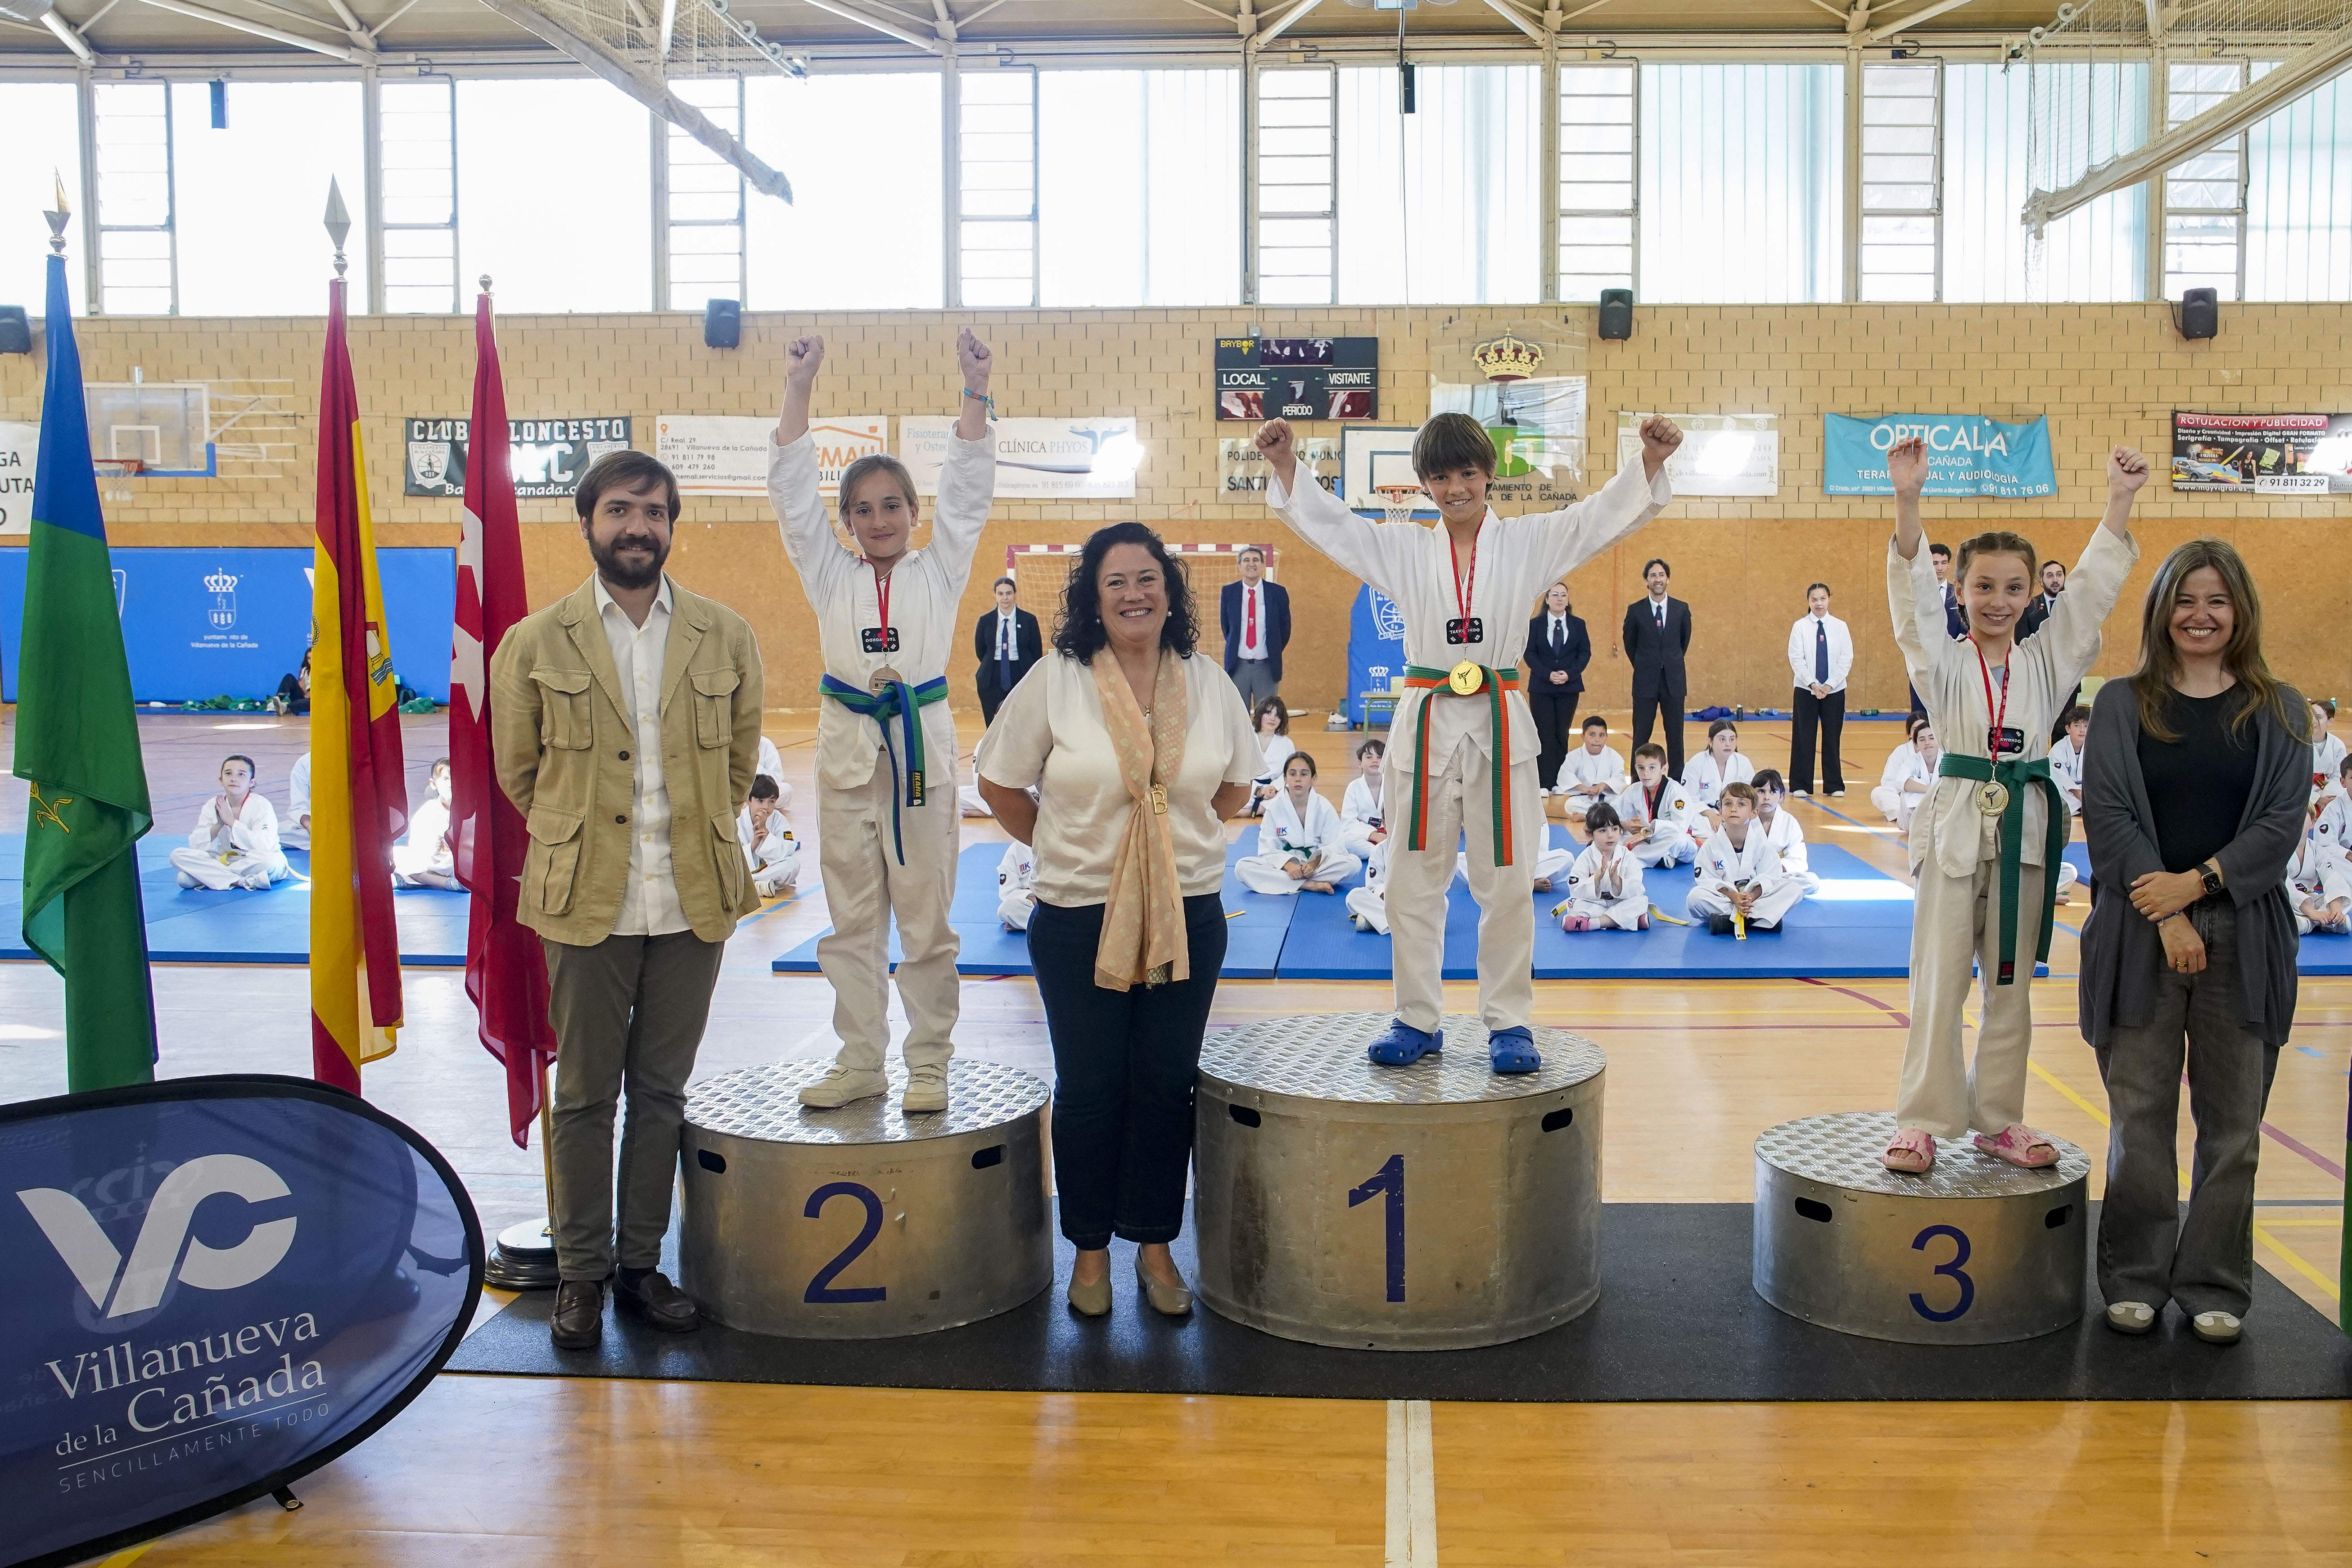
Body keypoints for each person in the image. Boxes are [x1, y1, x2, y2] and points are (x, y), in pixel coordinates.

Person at [1258, 410, 1680, 1074]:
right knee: (1409, 882)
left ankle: (1508, 1021)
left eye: (1467, 473)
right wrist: (1288, 467)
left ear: (1488, 474)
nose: (1455, 488)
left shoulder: (1526, 542)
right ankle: (1415, 1017)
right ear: (1424, 484)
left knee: (1507, 882)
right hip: (1425, 722)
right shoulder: (1403, 548)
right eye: (1440, 477)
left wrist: (1648, 463)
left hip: (1499, 723)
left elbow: (1594, 519)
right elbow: (1339, 529)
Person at [489, 447, 764, 1352]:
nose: (637, 526)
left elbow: (737, 765)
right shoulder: (536, 641)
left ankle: (641, 1264)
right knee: (582, 1095)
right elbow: (520, 772)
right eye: (619, 510)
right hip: (585, 898)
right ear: (588, 523)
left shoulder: (725, 635)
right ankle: (581, 1272)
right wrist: (587, 838)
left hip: (693, 896)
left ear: (671, 525)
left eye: (653, 511)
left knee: (660, 1091)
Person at [975, 522, 1261, 1320]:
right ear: (1092, 599)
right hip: (1079, 914)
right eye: (1116, 582)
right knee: (1092, 1086)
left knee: (1166, 1085)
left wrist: (1163, 851)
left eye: (1147, 578)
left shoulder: (1208, 680)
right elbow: (999, 782)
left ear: (1169, 590)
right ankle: (1091, 1249)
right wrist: (1067, 845)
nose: (1134, 594)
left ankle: (1157, 1245)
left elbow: (1235, 788)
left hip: (1186, 911)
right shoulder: (1057, 679)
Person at [1881, 434, 2148, 1175]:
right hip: (1954, 827)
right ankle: (1922, 1120)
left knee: (2010, 985)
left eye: (2012, 588)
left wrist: (2118, 499)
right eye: (1983, 586)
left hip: (2024, 829)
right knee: (1938, 980)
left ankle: (1998, 1117)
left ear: (2032, 595)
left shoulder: (2047, 661)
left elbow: (2088, 598)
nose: (1998, 601)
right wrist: (1908, 499)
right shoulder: (1942, 659)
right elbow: (1911, 604)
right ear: (1960, 591)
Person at [2078, 538, 2308, 1346]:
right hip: (2140, 930)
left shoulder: (2281, 709)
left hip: (2246, 937)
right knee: (2138, 1118)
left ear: (2240, 610)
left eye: (2216, 600)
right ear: (2161, 610)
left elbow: (2280, 827)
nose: (2200, 615)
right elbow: (2108, 816)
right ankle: (2135, 1277)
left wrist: (2199, 884)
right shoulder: (2120, 703)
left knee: (2234, 1125)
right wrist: (2169, 911)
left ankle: (2214, 1281)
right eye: (2185, 599)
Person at [770, 327, 997, 1113]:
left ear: (912, 510)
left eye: (892, 505)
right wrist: (800, 386)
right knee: (851, 923)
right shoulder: (829, 573)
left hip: (920, 755)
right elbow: (793, 499)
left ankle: (929, 1063)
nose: (878, 519)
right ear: (846, 520)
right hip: (847, 755)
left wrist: (975, 388)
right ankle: (861, 1059)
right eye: (862, 509)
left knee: (927, 921)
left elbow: (967, 493)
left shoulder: (941, 568)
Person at [1237, 752, 1360, 895]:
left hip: (1317, 866)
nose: (1298, 779)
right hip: (1287, 867)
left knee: (1354, 864)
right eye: (1292, 774)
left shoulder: (1324, 807)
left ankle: (1288, 883)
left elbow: (1334, 845)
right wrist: (1289, 866)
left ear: (1314, 779)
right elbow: (1268, 849)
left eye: (1304, 774)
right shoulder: (1274, 808)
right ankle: (1308, 884)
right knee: (1242, 868)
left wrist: (1313, 865)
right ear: (1285, 778)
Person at [1689, 782, 1800, 934]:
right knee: (1695, 898)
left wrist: (1751, 897)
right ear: (1720, 811)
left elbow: (1771, 878)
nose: (1734, 809)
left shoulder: (1762, 845)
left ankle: (1728, 922)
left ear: (1754, 813)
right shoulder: (1710, 846)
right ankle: (1758, 920)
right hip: (1726, 899)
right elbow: (1706, 881)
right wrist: (1734, 897)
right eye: (1728, 804)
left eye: (1741, 804)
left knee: (1794, 889)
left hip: (1754, 900)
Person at [169, 754, 293, 890]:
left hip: (255, 860)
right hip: (227, 860)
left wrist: (232, 823)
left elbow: (265, 845)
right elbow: (196, 845)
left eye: (241, 774)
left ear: (252, 782)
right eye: (228, 773)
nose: (234, 778)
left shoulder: (262, 805)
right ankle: (241, 881)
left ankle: (214, 878)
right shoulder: (213, 805)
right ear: (221, 780)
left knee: (273, 863)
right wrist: (219, 825)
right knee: (177, 856)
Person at [1621, 557, 1692, 777]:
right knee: (1641, 735)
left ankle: (1677, 780)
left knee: (1676, 736)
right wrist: (1646, 665)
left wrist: (1668, 662)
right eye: (1653, 575)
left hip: (1674, 682)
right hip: (1645, 682)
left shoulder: (1681, 609)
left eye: (1661, 575)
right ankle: (1637, 781)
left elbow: (1684, 642)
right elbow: (1630, 644)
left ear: (1668, 579)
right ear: (1646, 581)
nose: (1658, 579)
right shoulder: (1635, 611)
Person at [1786, 583, 1851, 797]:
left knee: (1832, 737)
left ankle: (1834, 785)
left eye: (1823, 599)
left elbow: (1846, 658)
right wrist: (1813, 684)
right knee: (1804, 736)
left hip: (1834, 690)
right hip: (1806, 690)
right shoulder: (1800, 627)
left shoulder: (1840, 627)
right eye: (1814, 600)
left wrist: (1829, 685)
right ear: (1809, 602)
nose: (1819, 604)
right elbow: (1796, 659)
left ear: (1829, 599)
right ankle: (1801, 784)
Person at [1525, 582, 1590, 793]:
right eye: (1555, 595)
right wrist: (1547, 674)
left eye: (1563, 595)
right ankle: (1544, 782)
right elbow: (1529, 653)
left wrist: (1569, 674)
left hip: (1568, 688)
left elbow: (1584, 653)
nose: (1560, 599)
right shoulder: (1535, 625)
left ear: (1568, 599)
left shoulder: (1578, 624)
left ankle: (1560, 781)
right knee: (1544, 734)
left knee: (1562, 734)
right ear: (1547, 599)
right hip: (1542, 688)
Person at [1555, 802, 1648, 931]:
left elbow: (1637, 887)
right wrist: (1597, 878)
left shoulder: (1628, 856)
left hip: (1620, 902)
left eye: (1614, 829)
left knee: (1641, 901)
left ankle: (1592, 924)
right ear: (1590, 834)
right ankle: (1629, 921)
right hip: (1595, 904)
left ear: (1620, 830)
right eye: (1603, 831)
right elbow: (1575, 890)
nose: (1610, 835)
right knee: (1576, 905)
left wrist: (1618, 882)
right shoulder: (1585, 858)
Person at [1219, 545, 1290, 712]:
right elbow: (1226, 626)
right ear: (1239, 566)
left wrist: (1272, 649)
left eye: (1256, 560)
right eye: (1246, 560)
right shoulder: (1229, 592)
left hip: (1266, 666)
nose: (1251, 564)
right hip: (1238, 666)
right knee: (1238, 716)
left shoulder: (1278, 593)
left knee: (1266, 716)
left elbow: (1285, 628)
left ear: (1263, 565)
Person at [1610, 743, 1697, 868]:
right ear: (1636, 768)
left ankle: (1638, 858)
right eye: (1641, 768)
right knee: (1620, 835)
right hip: (1649, 842)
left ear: (1664, 769)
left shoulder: (1675, 792)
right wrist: (1624, 824)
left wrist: (1649, 832)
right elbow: (1613, 812)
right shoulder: (1635, 790)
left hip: (1675, 844)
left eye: (1652, 768)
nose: (1646, 773)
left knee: (1680, 840)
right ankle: (1662, 857)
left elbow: (1680, 827)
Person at [973, 575, 1043, 727]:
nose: (1005, 598)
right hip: (993, 674)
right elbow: (981, 650)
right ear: (995, 595)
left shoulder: (1029, 620)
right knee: (993, 724)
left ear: (1015, 595)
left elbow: (1036, 650)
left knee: (1021, 721)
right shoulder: (986, 621)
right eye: (1001, 594)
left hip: (1020, 672)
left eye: (1009, 593)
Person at [392, 757, 458, 889]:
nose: (450, 784)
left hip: (460, 864)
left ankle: (411, 880)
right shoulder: (426, 812)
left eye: (454, 779)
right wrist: (433, 849)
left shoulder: (471, 810)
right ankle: (449, 884)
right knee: (395, 854)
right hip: (436, 865)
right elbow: (418, 849)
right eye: (445, 779)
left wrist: (456, 846)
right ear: (433, 784)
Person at [1683, 718, 1755, 839]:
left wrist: (1731, 813)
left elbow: (1750, 796)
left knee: (1754, 821)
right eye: (1722, 739)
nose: (1728, 744)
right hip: (1704, 814)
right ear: (1710, 741)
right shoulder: (1696, 763)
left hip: (1735, 811)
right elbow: (1689, 798)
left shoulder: (1743, 763)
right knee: (1694, 822)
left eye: (1732, 739)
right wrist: (1710, 814)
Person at [1751, 768, 1819, 895]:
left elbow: (1798, 859)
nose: (1767, 797)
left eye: (1773, 792)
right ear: (1752, 794)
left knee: (1812, 882)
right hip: (1752, 875)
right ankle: (1768, 892)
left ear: (1781, 796)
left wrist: (1775, 869)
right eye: (1761, 792)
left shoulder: (1789, 822)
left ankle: (1761, 892)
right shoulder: (1746, 820)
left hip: (1780, 875)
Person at [1872, 716, 1938, 833]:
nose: (1927, 742)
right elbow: (1899, 782)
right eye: (1922, 739)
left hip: (1938, 804)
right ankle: (1916, 819)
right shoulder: (1906, 756)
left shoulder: (1945, 758)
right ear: (1914, 740)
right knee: (1881, 792)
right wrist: (1930, 791)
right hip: (1908, 805)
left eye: (1931, 738)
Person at [1556, 715, 1627, 823]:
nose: (1597, 740)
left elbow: (1619, 779)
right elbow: (1566, 776)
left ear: (1607, 737)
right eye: (1592, 735)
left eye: (1602, 735)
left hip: (1607, 798)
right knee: (1570, 805)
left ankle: (1587, 816)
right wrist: (1585, 789)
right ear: (1583, 736)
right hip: (1585, 798)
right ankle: (1604, 816)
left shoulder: (1614, 756)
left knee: (1622, 804)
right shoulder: (1574, 756)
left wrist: (1602, 786)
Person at [738, 774, 800, 897]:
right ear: (748, 801)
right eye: (760, 801)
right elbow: (732, 857)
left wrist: (766, 835)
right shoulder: (737, 820)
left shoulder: (779, 819)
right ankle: (762, 885)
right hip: (745, 869)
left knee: (793, 864)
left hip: (770, 868)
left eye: (771, 802)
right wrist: (753, 846)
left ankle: (755, 884)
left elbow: (788, 849)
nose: (766, 807)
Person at [2286, 833, 2352, 935]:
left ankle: (2329, 919)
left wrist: (2336, 909)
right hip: (2286, 899)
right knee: (2280, 902)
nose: (2298, 824)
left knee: (2341, 897)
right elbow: (2283, 883)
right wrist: (2313, 913)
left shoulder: (2317, 850)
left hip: (2311, 898)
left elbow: (2332, 878)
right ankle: (2326, 924)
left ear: (2312, 824)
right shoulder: (2279, 848)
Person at [1339, 737, 1389, 863]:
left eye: (1379, 757)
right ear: (1359, 763)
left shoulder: (1392, 785)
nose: (1375, 761)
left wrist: (1387, 835)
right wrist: (1373, 835)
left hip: (1388, 835)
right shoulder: (1353, 787)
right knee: (1345, 840)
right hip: (1364, 838)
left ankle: (1383, 853)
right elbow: (1348, 822)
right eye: (1369, 757)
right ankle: (1380, 854)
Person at [1244, 693, 1294, 817]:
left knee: (1291, 794)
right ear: (1260, 715)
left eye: (1277, 716)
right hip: (1248, 787)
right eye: (1268, 713)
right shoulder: (1246, 738)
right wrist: (1258, 791)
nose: (1273, 719)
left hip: (1274, 791)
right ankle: (1260, 810)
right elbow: (1240, 770)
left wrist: (1274, 788)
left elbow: (1289, 772)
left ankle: (1252, 811)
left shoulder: (1287, 744)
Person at [996, 836, 1038, 932]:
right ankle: (1039, 926)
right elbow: (1008, 892)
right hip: (1033, 904)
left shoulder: (1058, 843)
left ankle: (1030, 925)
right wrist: (1034, 899)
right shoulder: (1015, 850)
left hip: (1059, 900)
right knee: (1006, 909)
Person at [2311, 699, 2344, 797]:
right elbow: (2292, 778)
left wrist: (2328, 797)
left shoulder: (2338, 745)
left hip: (2329, 791)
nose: (2313, 721)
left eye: (2319, 717)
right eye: (2310, 716)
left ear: (2330, 721)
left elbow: (2338, 777)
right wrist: (2316, 799)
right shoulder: (2298, 744)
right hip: (2303, 794)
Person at [271, 650, 312, 717]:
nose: (310, 661)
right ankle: (278, 699)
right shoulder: (305, 670)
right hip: (304, 696)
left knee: (300, 703)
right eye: (309, 658)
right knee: (289, 677)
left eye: (313, 658)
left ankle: (285, 708)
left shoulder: (322, 671)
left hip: (313, 700)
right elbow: (301, 687)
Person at [285, 751, 312, 845]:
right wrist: (310, 826)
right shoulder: (306, 761)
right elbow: (299, 808)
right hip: (320, 826)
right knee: (274, 832)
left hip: (352, 825)